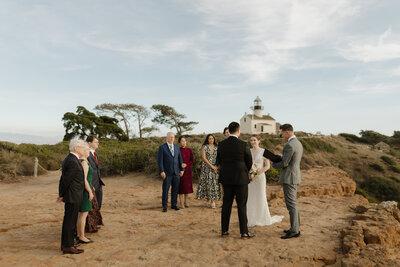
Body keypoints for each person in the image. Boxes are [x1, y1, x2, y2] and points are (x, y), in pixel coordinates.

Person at [216, 122, 255, 239]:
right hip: (241, 178)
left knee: (226, 204)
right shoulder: (243, 144)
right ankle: (244, 232)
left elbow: (219, 160)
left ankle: (224, 231)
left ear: (229, 130)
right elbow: (249, 161)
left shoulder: (221, 144)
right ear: (238, 131)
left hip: (226, 178)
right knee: (241, 205)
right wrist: (244, 171)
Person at [270, 124, 303, 239]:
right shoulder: (298, 143)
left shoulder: (289, 145)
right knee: (293, 204)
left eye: (282, 133)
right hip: (294, 176)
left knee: (291, 205)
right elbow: (290, 159)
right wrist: (282, 156)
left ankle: (294, 231)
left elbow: (284, 163)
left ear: (287, 132)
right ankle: (295, 228)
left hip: (289, 178)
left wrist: (273, 163)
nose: (282, 135)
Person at [247, 135, 284, 227]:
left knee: (260, 196)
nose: (252, 142)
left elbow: (267, 166)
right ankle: (251, 219)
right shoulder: (248, 151)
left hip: (260, 177)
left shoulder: (264, 152)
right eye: (251, 140)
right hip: (250, 178)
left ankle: (261, 218)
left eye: (254, 140)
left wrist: (259, 172)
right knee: (250, 197)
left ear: (259, 141)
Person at [58, 140, 86, 254]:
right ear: (76, 148)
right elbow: (65, 180)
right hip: (72, 196)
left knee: (70, 221)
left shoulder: (72, 159)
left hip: (74, 195)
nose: (84, 149)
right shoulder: (72, 161)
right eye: (82, 147)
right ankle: (68, 246)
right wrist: (61, 194)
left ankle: (67, 244)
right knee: (70, 221)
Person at [157, 132, 184, 212]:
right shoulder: (162, 147)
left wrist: (182, 170)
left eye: (173, 137)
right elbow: (160, 161)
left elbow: (180, 159)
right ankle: (164, 206)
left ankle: (173, 205)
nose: (172, 138)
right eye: (170, 137)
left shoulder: (177, 147)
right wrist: (162, 171)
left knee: (175, 190)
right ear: (167, 138)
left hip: (176, 172)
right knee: (165, 190)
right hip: (167, 173)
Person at [196, 134, 221, 208]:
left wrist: (216, 166)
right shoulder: (205, 147)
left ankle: (213, 201)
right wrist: (211, 166)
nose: (211, 140)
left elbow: (219, 157)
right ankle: (208, 199)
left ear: (214, 139)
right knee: (207, 183)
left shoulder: (217, 147)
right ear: (207, 139)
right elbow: (204, 158)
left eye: (212, 138)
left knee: (214, 183)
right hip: (206, 167)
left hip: (215, 168)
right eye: (209, 138)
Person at [76, 143, 94, 244]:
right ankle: (81, 236)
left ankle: (80, 234)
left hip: (86, 189)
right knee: (83, 214)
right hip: (85, 191)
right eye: (87, 149)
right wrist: (90, 191)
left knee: (82, 214)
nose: (89, 151)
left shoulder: (84, 161)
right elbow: (84, 179)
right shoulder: (84, 162)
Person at [86, 135, 104, 233]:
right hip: (91, 183)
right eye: (95, 142)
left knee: (99, 203)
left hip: (98, 182)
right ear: (89, 143)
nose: (97, 144)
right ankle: (90, 226)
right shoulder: (86, 153)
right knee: (91, 206)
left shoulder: (95, 153)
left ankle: (95, 223)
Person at [178, 136, 194, 209]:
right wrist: (181, 165)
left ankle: (186, 202)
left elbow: (192, 160)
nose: (184, 142)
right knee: (181, 187)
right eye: (182, 141)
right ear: (179, 142)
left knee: (187, 187)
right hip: (180, 170)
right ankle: (181, 203)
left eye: (185, 141)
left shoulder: (189, 150)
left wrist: (186, 164)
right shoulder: (177, 150)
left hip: (188, 171)